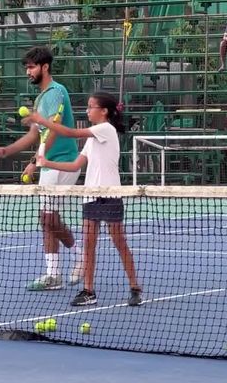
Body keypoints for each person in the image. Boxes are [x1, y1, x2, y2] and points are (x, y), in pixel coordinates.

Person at [23, 92, 142, 307]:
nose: (87, 111)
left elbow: (70, 132)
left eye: (91, 107)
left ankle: (135, 287)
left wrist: (42, 121)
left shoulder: (106, 129)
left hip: (110, 194)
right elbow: (75, 165)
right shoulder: (91, 139)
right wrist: (46, 163)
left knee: (119, 241)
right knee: (88, 244)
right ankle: (88, 291)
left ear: (103, 111)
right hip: (90, 196)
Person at [0, 46, 82, 291]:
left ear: (45, 67)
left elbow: (53, 130)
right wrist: (5, 151)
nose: (28, 72)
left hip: (62, 162)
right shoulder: (41, 99)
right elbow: (34, 134)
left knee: (48, 217)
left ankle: (79, 255)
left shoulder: (55, 92)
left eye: (31, 67)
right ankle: (53, 275)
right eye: (27, 68)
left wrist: (35, 161)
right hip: (50, 164)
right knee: (48, 218)